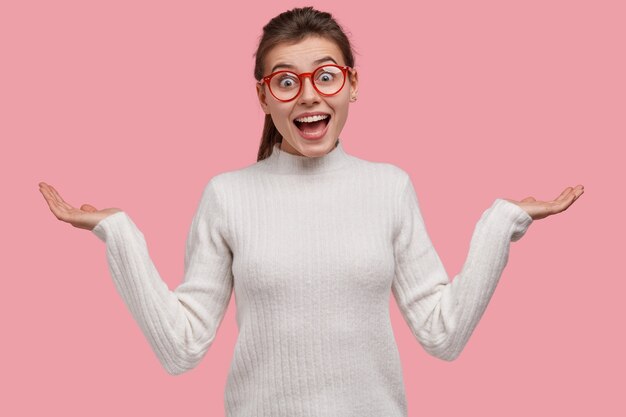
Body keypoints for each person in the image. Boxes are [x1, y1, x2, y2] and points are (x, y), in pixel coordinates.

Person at [38, 6, 584, 417]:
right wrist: (119, 233)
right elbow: (182, 348)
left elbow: (443, 334)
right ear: (265, 96)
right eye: (286, 81)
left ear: (352, 84)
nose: (308, 96)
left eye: (325, 76)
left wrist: (502, 222)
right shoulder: (227, 195)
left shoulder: (389, 187)